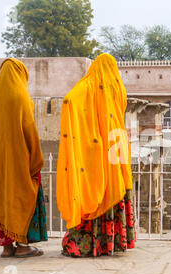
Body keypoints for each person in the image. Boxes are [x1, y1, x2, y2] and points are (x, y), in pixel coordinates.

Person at [57, 53, 136, 258]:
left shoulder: (90, 84)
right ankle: (110, 244)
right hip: (117, 146)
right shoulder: (117, 87)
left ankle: (89, 244)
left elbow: (69, 100)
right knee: (113, 186)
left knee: (95, 188)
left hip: (99, 148)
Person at [0, 59, 47, 258]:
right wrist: (36, 160)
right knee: (20, 197)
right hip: (18, 162)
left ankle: (7, 247)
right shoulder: (20, 96)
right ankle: (23, 246)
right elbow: (30, 132)